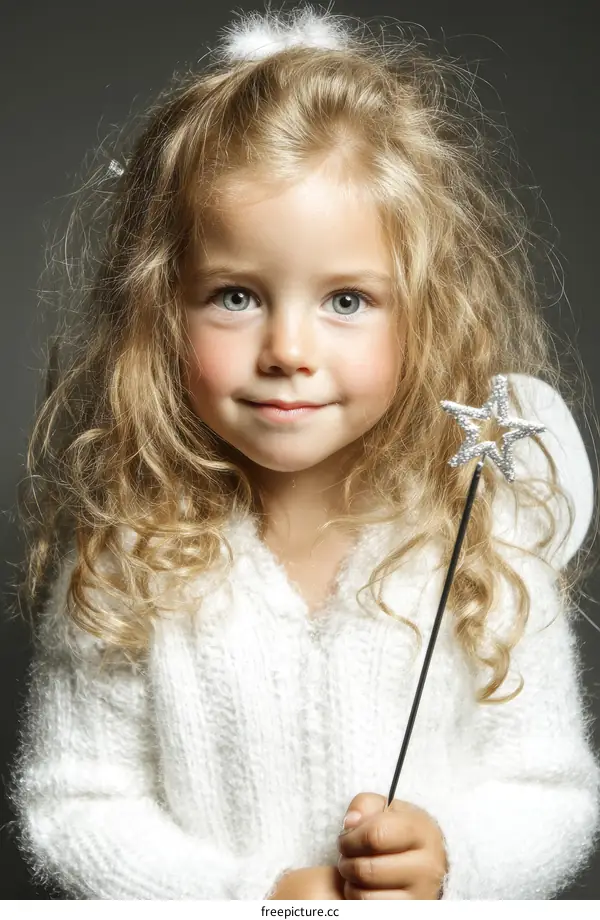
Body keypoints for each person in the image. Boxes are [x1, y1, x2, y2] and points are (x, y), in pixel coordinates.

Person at [7, 3, 600, 901]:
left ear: (427, 311)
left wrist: (451, 865)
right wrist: (260, 897)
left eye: (348, 301)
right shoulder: (128, 553)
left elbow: (550, 790)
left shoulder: (486, 536)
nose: (289, 348)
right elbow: (75, 804)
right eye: (237, 296)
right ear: (162, 309)